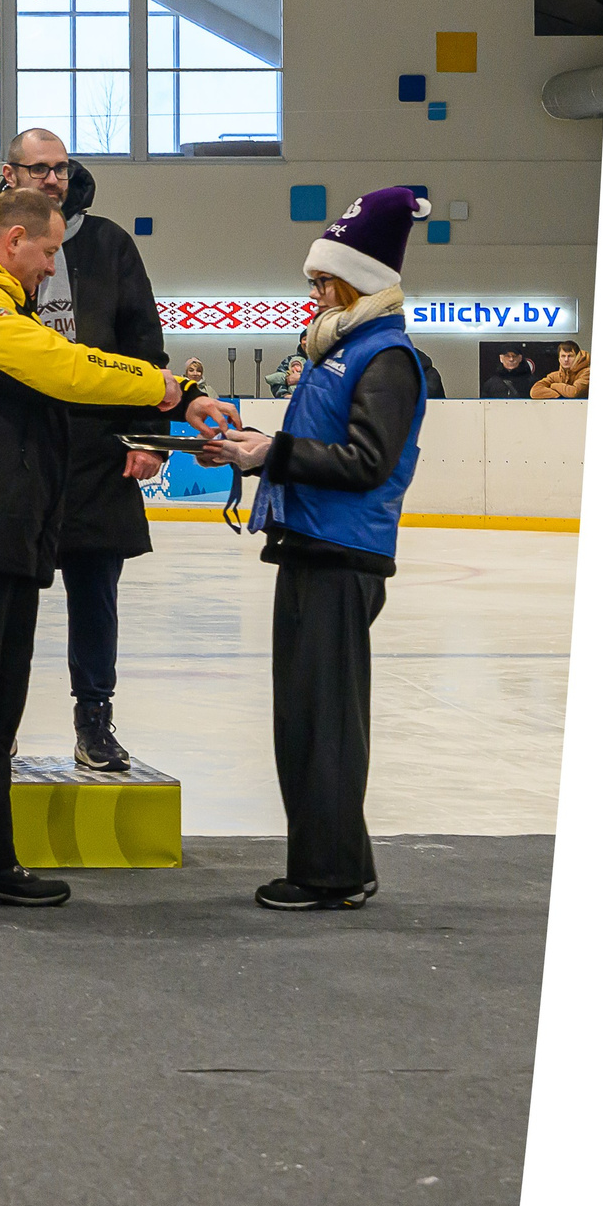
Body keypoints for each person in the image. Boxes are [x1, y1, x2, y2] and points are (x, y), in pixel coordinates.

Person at [0, 188, 225, 926]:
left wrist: (169, 405)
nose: (50, 270)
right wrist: (168, 387)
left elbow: (65, 379)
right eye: (46, 255)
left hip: (7, 529)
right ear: (13, 240)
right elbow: (64, 369)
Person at [200, 187, 432, 911]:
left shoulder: (387, 357)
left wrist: (276, 450)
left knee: (326, 721)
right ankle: (333, 861)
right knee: (304, 718)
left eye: (324, 281)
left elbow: (366, 461)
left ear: (360, 280)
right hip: (308, 546)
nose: (314, 294)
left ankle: (330, 872)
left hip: (343, 554)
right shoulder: (343, 349)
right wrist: (255, 454)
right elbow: (314, 448)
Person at [0, 129, 170, 774]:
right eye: (39, 169)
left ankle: (95, 719)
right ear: (10, 174)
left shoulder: (111, 243)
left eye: (60, 168)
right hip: (15, 448)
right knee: (6, 600)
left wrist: (150, 437)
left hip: (97, 449)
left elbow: (146, 346)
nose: (53, 179)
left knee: (96, 595)